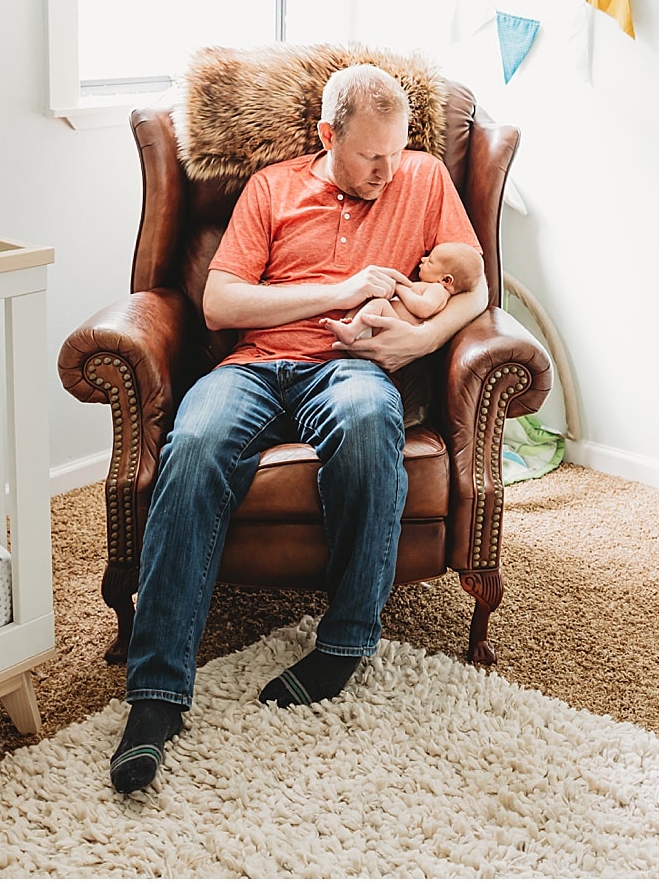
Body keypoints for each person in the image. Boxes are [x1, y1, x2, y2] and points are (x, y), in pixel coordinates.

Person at [110, 63, 487, 794]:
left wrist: (420, 338)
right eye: (370, 155)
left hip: (350, 367)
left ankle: (343, 644)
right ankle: (155, 696)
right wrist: (341, 289)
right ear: (327, 135)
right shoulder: (272, 187)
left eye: (397, 150)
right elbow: (220, 303)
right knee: (193, 446)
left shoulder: (424, 177)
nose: (387, 170)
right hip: (254, 366)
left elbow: (478, 289)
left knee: (370, 420)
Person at [320, 242, 483, 346]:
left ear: (446, 280)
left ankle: (351, 331)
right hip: (382, 325)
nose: (423, 259)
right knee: (374, 304)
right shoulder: (431, 286)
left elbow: (423, 309)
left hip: (392, 328)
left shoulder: (438, 290)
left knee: (380, 304)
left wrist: (399, 287)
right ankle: (352, 326)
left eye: (430, 261)